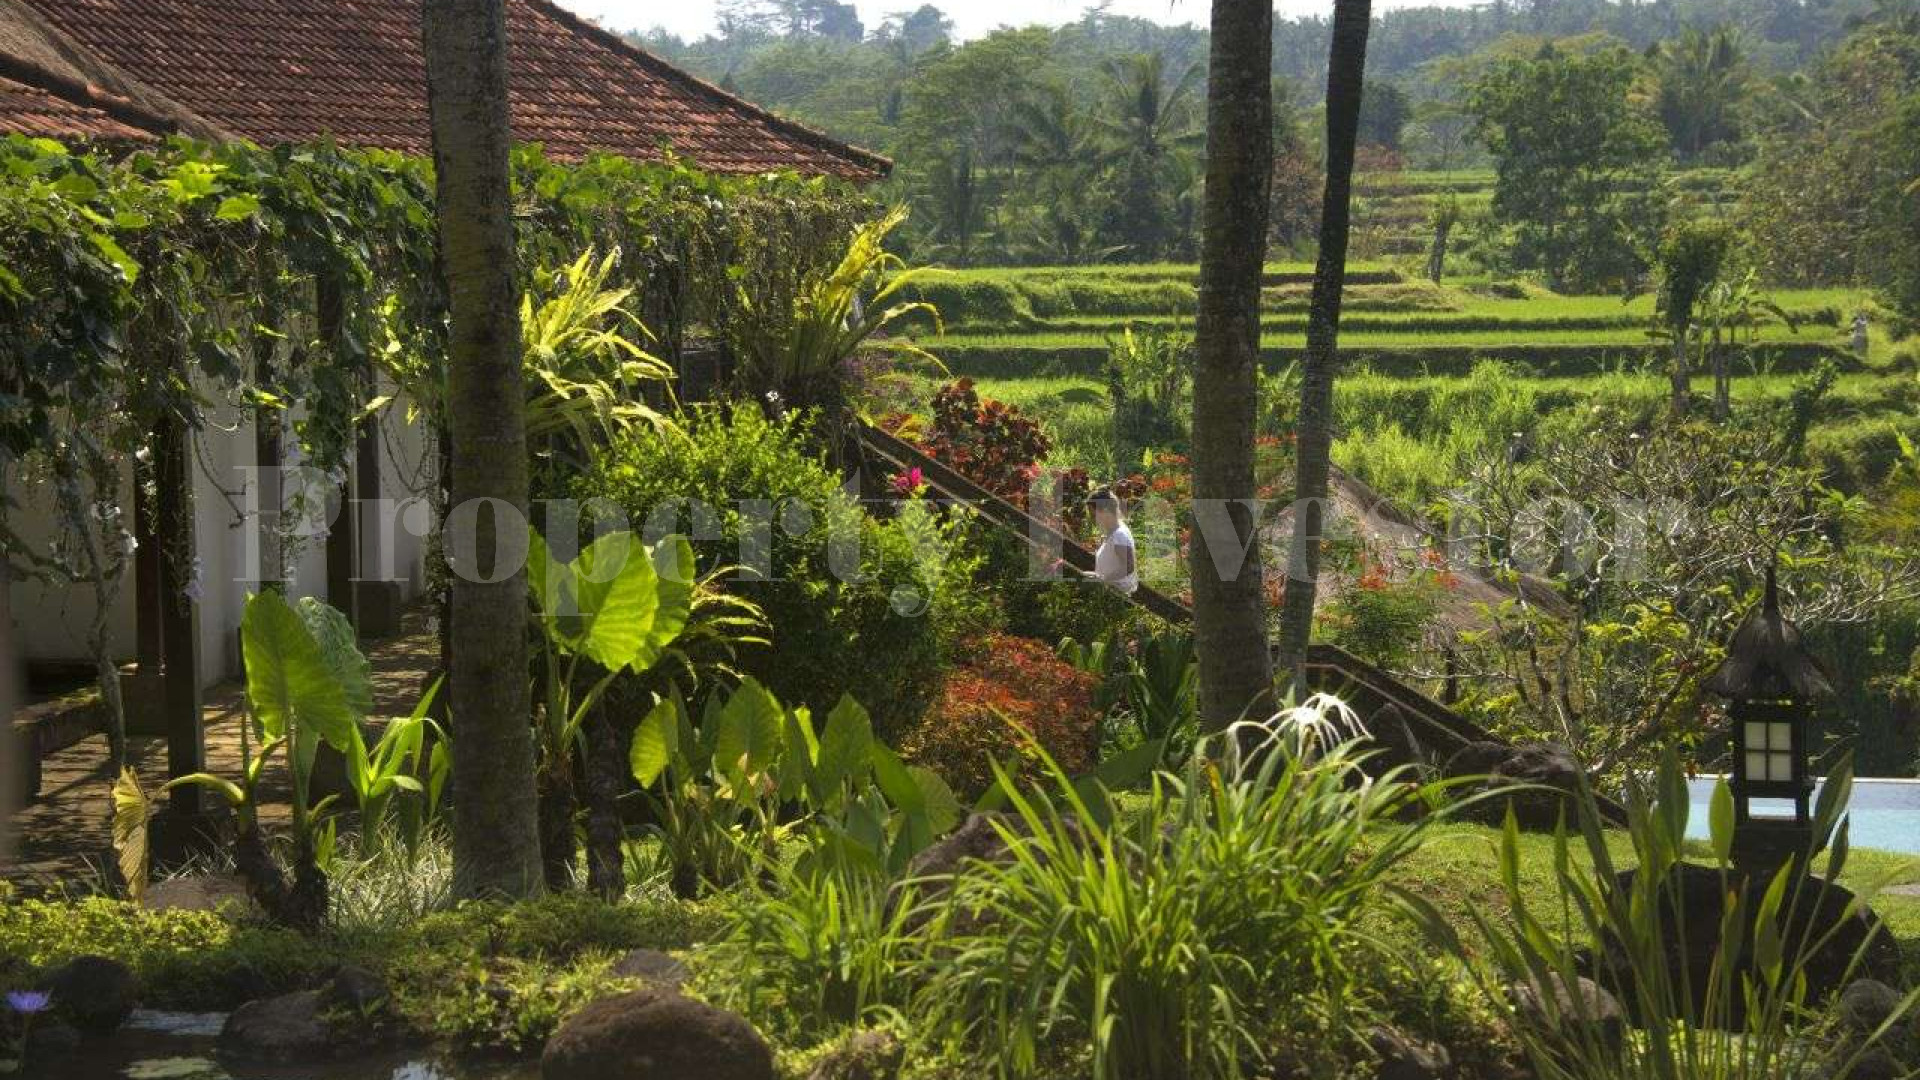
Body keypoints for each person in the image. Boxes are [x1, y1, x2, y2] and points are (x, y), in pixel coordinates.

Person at [1084, 488, 1139, 595]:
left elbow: (1128, 566)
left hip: (1118, 596)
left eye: (1093, 514)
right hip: (1112, 593)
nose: (1092, 518)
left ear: (1104, 511)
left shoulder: (1119, 534)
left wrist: (1102, 578)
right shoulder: (1113, 533)